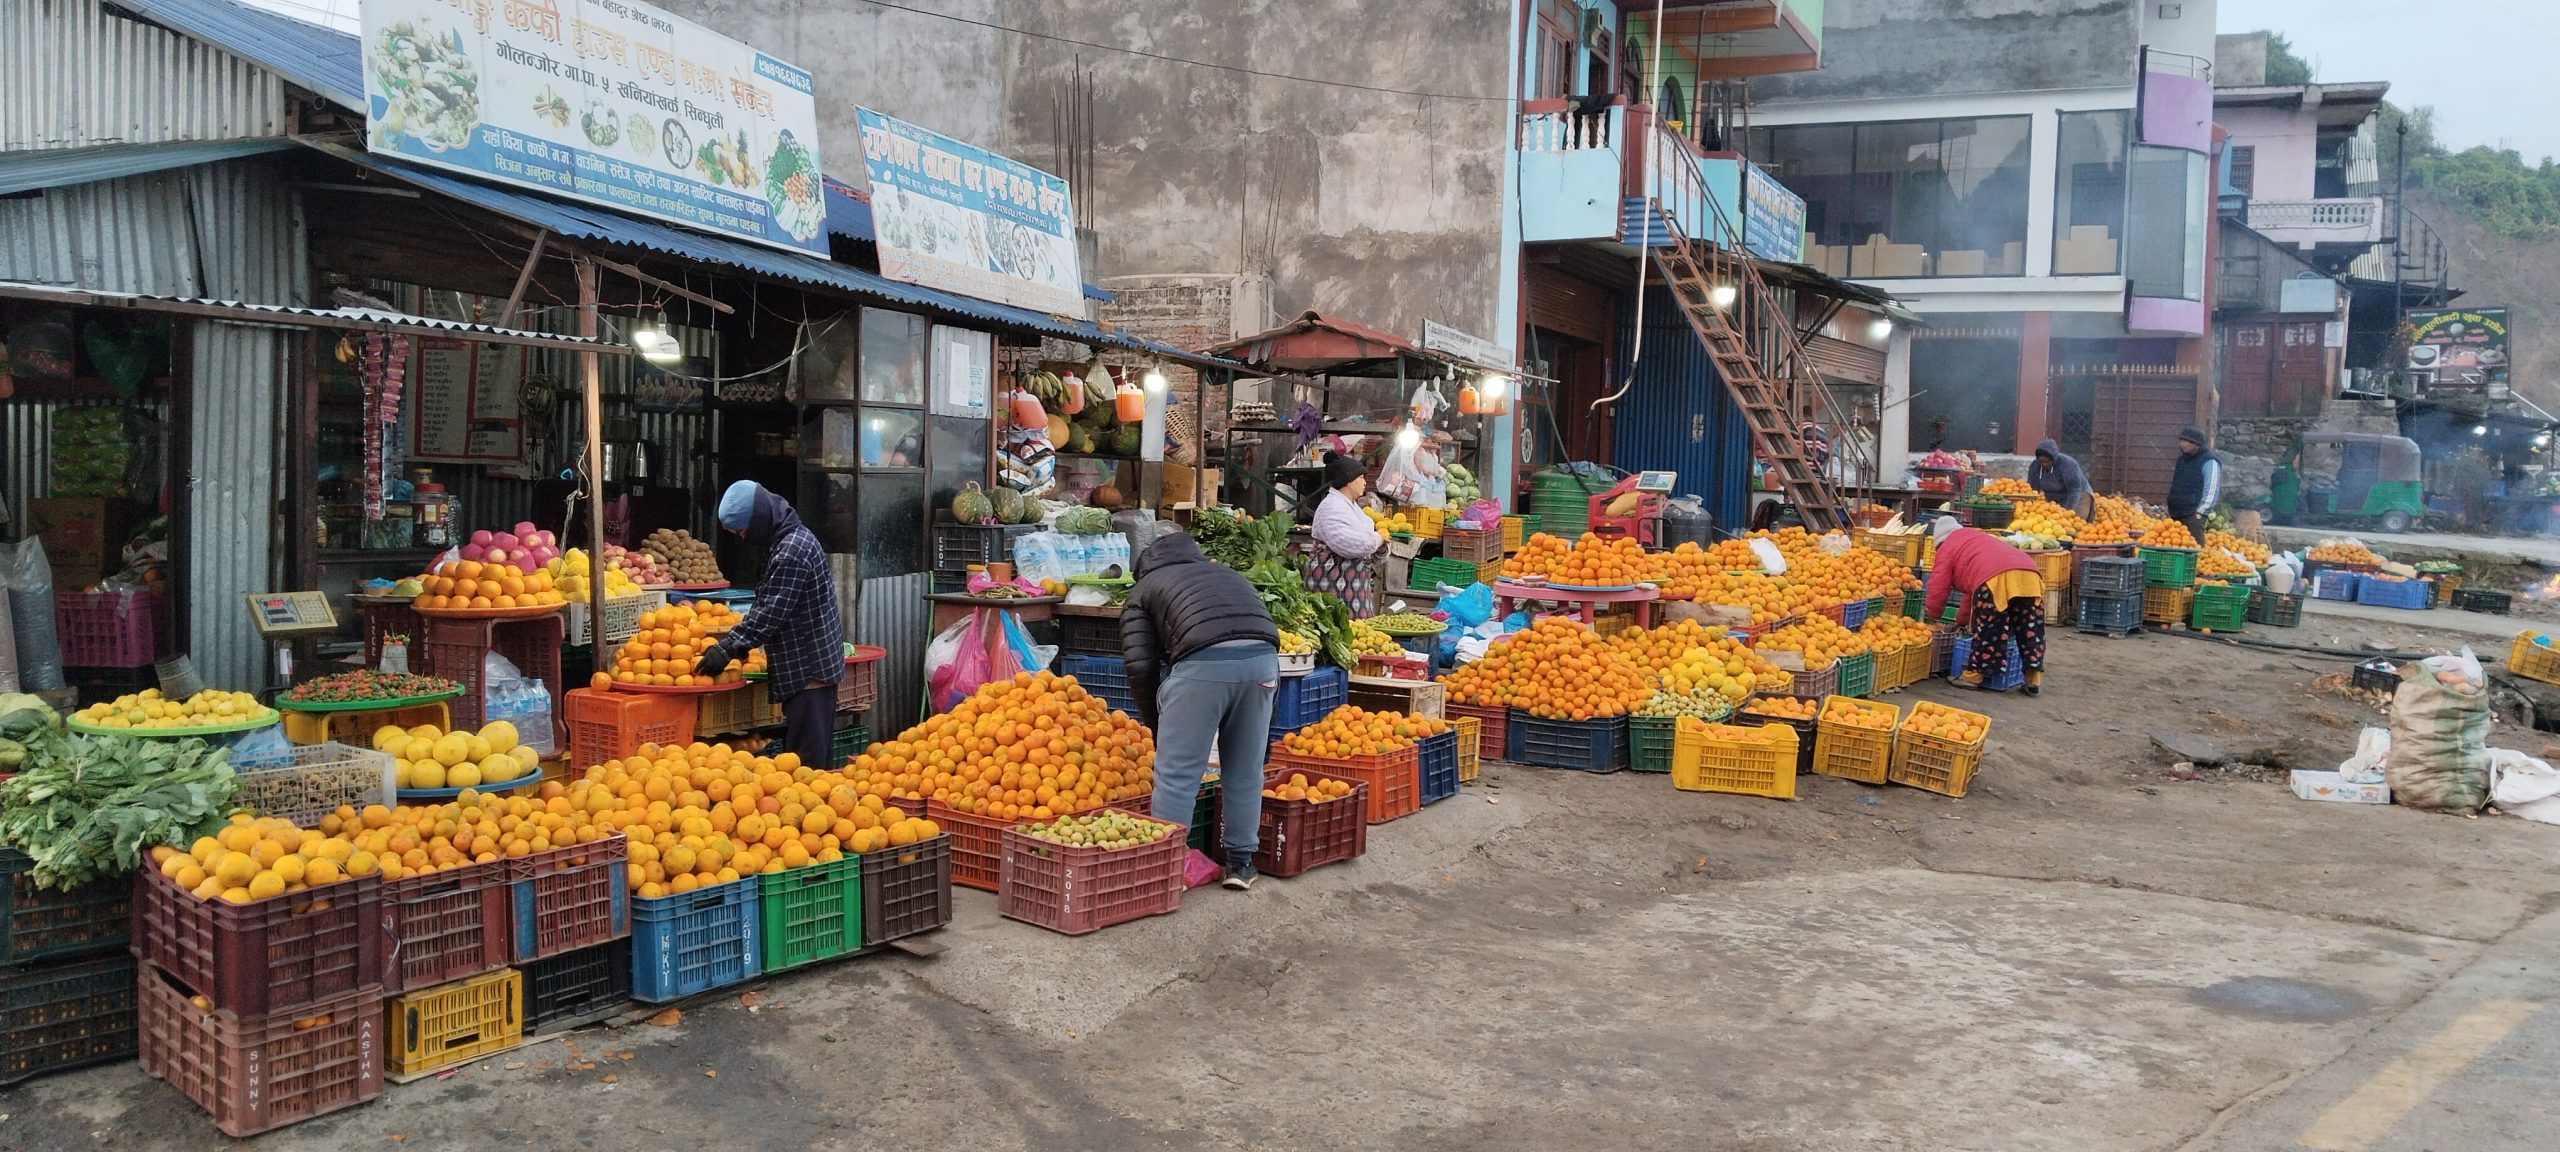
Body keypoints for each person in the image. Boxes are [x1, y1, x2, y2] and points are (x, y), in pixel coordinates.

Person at [1119, 531, 1281, 890]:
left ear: (1144, 567)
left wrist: (1157, 727)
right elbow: (1263, 630)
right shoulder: (1227, 573)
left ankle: (1164, 870)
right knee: (1245, 769)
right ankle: (1241, 864)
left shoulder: (1144, 590)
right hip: (1264, 664)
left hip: (1202, 668)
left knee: (1177, 773)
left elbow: (1141, 667)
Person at [695, 481, 844, 766]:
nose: (742, 539)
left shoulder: (791, 550)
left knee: (807, 768)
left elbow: (771, 612)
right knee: (805, 762)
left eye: (742, 532)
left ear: (758, 520)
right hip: (804, 668)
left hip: (808, 670)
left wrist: (728, 647)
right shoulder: (786, 539)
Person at [1924, 516, 2046, 696]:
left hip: (1995, 576)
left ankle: (1973, 677)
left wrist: (1931, 615)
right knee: (2030, 628)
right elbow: (1971, 596)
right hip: (2029, 573)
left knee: (1989, 628)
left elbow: (1938, 586)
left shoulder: (1947, 548)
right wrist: (1960, 623)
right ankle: (2033, 679)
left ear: (1939, 541)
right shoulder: (1975, 539)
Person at [1304, 451, 1387, 616]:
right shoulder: (1332, 507)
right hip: (1334, 583)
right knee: (1336, 630)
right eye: (1361, 478)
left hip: (1354, 585)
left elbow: (1367, 543)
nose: (1365, 482)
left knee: (1360, 636)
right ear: (1349, 481)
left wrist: (1381, 546)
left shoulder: (1352, 507)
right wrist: (1378, 538)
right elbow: (1349, 544)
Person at [2168, 426, 2220, 543]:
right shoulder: (2182, 460)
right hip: (2176, 514)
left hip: (2193, 516)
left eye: (2185, 441)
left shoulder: (2209, 461)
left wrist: (2200, 513)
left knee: (2194, 552)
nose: (2181, 444)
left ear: (2196, 443)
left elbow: (2211, 489)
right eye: (2181, 441)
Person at [2026, 438, 2091, 516]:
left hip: (2078, 495)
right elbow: (2033, 489)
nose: (2044, 464)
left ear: (2053, 459)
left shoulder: (2067, 465)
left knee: (2076, 521)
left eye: (2046, 462)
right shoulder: (2035, 466)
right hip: (2055, 497)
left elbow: (2074, 490)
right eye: (2041, 462)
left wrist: (2068, 512)